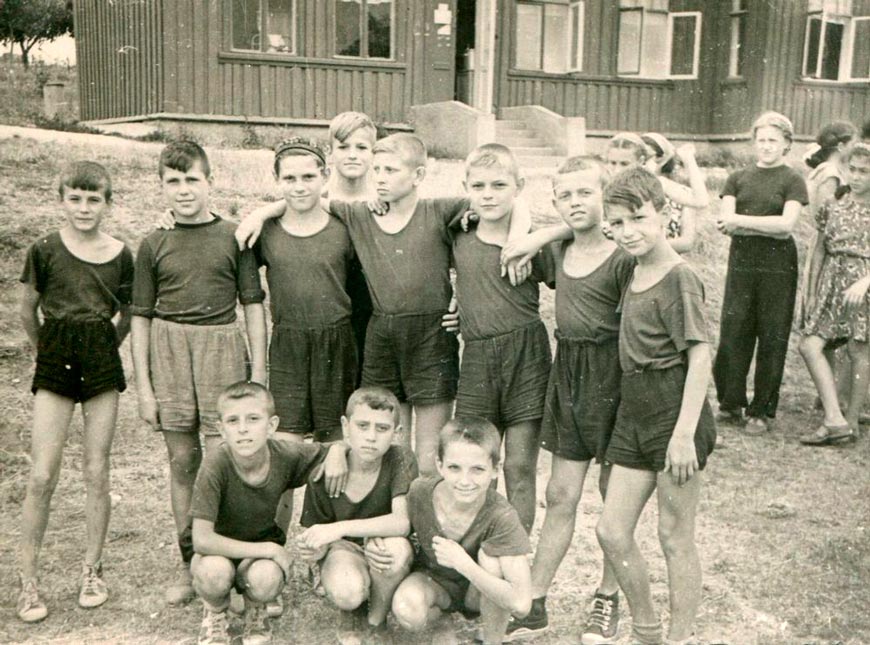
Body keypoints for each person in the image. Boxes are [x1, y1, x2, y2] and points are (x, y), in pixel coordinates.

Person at [233, 132, 527, 476]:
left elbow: (506, 200)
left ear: (418, 175)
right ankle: (396, 525)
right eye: (378, 170)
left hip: (432, 336)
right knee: (391, 452)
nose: (381, 178)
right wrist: (261, 213)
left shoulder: (440, 210)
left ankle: (421, 522)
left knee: (429, 455)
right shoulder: (361, 215)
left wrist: (520, 238)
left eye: (391, 170)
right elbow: (311, 199)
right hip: (383, 337)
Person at [131, 140, 268, 605]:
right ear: (162, 187)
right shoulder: (153, 242)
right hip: (170, 351)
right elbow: (141, 318)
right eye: (174, 181)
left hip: (220, 348)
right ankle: (193, 564)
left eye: (193, 179)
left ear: (210, 182)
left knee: (225, 459)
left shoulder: (235, 236)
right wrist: (145, 389)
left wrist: (260, 375)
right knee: (183, 460)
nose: (184, 189)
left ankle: (234, 565)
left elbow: (253, 307)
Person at [505, 156, 635, 645]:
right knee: (560, 495)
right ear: (555, 202)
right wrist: (542, 236)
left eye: (587, 192)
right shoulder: (557, 252)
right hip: (570, 374)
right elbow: (512, 241)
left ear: (606, 196)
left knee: (612, 501)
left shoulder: (623, 256)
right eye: (566, 195)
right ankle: (534, 603)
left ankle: (607, 597)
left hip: (615, 377)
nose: (577, 203)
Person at [595, 167, 716, 645]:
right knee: (611, 530)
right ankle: (648, 632)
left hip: (673, 409)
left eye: (638, 218)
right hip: (633, 409)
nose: (628, 232)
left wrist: (683, 434)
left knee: (673, 536)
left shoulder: (679, 277)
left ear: (665, 213)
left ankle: (679, 637)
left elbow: (700, 356)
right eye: (617, 222)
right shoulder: (633, 266)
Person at [16, 161, 134, 623]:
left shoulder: (123, 254)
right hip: (57, 352)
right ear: (61, 198)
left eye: (94, 199)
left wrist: (105, 345)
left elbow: (126, 312)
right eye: (75, 198)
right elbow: (27, 310)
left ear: (108, 202)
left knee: (96, 470)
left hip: (101, 351)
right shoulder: (43, 249)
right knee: (43, 474)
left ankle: (92, 570)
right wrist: (46, 349)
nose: (84, 208)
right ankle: (28, 580)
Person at [251, 137, 359, 541]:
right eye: (290, 178)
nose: (299, 186)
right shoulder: (265, 232)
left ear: (325, 177)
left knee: (334, 449)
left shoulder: (344, 229)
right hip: (289, 346)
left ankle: (331, 546)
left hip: (336, 342)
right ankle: (271, 547)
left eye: (308, 177)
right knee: (284, 449)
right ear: (277, 181)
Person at [188, 381, 349, 645]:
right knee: (213, 572)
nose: (243, 429)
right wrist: (271, 550)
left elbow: (335, 448)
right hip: (217, 552)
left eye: (253, 419)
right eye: (232, 421)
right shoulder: (215, 464)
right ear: (221, 430)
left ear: (272, 425)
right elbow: (201, 540)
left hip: (257, 556)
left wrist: (338, 451)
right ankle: (215, 612)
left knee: (267, 578)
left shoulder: (283, 454)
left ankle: (255, 609)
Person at [451, 143, 553, 532]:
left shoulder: (532, 244)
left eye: (499, 184)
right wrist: (456, 303)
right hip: (477, 357)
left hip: (526, 354)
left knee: (518, 465)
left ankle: (516, 555)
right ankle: (475, 548)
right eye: (479, 186)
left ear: (519, 186)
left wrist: (533, 238)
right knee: (474, 460)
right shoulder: (459, 234)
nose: (489, 194)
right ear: (467, 188)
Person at [391, 417, 533, 645]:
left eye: (477, 469)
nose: (465, 481)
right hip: (435, 583)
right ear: (439, 465)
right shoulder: (420, 492)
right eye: (454, 468)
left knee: (492, 558)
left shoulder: (502, 516)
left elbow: (522, 603)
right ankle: (441, 622)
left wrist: (463, 563)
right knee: (407, 608)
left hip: (478, 592)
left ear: (495, 470)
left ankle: (492, 640)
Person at [713, 111, 808, 435]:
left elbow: (785, 227)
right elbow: (726, 221)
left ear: (786, 145)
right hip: (742, 260)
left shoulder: (792, 179)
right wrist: (743, 223)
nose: (766, 147)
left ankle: (762, 410)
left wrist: (743, 222)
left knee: (772, 333)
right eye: (761, 140)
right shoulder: (737, 178)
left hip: (778, 263)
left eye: (773, 141)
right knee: (735, 327)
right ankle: (730, 402)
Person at [298, 387, 418, 642]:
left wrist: (340, 528)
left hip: (382, 543)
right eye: (362, 426)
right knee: (347, 590)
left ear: (396, 434)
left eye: (382, 428)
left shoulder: (400, 458)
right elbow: (319, 539)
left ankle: (376, 621)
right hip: (343, 551)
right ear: (345, 426)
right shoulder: (324, 475)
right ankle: (351, 611)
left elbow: (401, 522)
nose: (371, 437)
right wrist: (314, 549)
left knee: (395, 550)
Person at [799, 142, 870, 445]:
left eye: (864, 171)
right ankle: (835, 417)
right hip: (831, 280)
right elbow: (819, 250)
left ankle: (851, 422)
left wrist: (865, 282)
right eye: (852, 170)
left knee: (858, 351)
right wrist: (813, 290)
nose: (856, 177)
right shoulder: (833, 204)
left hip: (862, 284)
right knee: (810, 345)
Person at [604, 132, 707, 254]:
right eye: (612, 163)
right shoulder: (602, 186)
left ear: (640, 161)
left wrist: (688, 160)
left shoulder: (654, 183)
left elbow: (701, 201)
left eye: (624, 164)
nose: (617, 170)